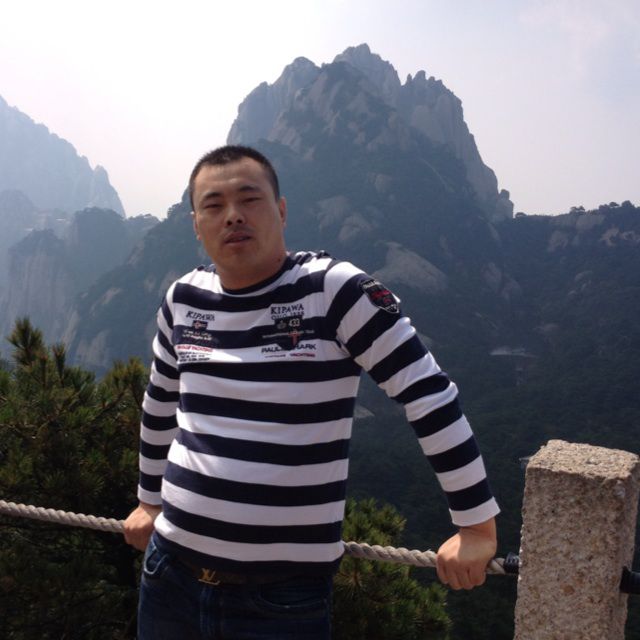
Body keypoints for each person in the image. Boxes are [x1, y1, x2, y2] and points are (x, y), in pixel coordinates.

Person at [124, 145, 499, 639]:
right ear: (196, 225)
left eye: (249, 199)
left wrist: (476, 526)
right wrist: (148, 501)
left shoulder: (333, 291)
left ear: (281, 211)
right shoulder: (183, 298)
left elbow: (429, 397)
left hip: (280, 600)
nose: (232, 215)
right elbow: (159, 404)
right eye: (213, 205)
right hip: (169, 575)